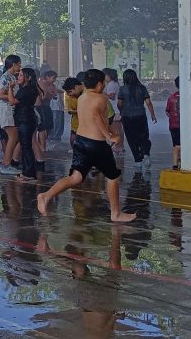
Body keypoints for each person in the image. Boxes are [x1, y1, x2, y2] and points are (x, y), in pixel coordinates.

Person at [37, 69, 137, 223]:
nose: (104, 85)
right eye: (103, 82)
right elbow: (97, 117)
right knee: (113, 177)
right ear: (98, 84)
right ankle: (116, 214)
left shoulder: (82, 98)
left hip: (80, 141)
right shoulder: (101, 98)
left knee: (75, 177)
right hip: (95, 144)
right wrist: (109, 136)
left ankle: (46, 196)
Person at [117, 69, 156, 172]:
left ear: (125, 78)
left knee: (131, 139)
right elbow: (148, 103)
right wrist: (153, 115)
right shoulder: (142, 88)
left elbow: (120, 104)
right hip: (141, 116)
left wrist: (121, 111)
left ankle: (138, 161)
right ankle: (146, 153)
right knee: (143, 136)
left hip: (127, 117)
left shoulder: (122, 89)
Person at [12, 67, 43, 183]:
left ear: (28, 78)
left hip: (25, 120)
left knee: (26, 147)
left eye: (21, 75)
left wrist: (10, 89)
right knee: (26, 146)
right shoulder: (31, 89)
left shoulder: (24, 90)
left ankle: (29, 174)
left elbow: (12, 101)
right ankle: (27, 172)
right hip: (28, 119)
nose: (18, 77)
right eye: (18, 75)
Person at [0, 55, 22, 175]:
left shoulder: (11, 76)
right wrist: (15, 99)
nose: (20, 66)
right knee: (12, 137)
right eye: (19, 64)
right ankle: (5, 164)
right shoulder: (6, 77)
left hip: (10, 110)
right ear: (13, 64)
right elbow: (1, 95)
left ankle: (7, 163)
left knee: (14, 137)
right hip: (6, 109)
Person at [165, 77, 181, 169]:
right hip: (186, 126)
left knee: (176, 145)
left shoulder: (171, 98)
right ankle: (184, 161)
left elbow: (167, 111)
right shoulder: (190, 97)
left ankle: (175, 164)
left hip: (174, 125)